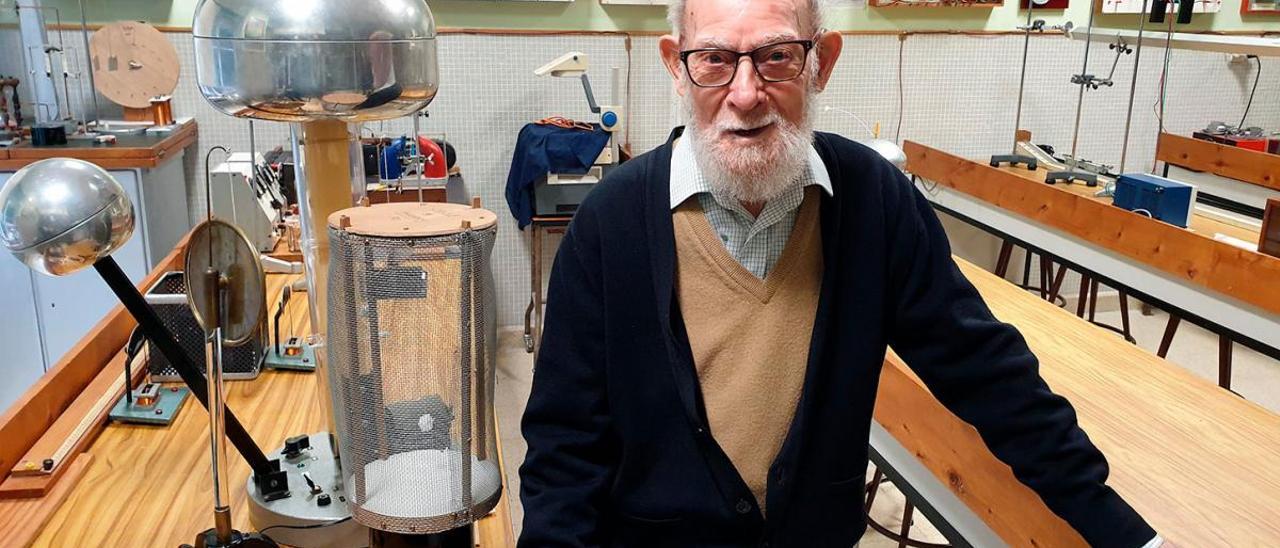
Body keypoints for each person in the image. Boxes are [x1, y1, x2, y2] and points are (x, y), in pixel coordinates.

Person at [518, 0, 1170, 546]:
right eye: (715, 59)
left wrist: (1122, 532)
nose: (745, 94)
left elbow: (987, 374)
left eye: (776, 56)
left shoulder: (873, 200)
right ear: (677, 67)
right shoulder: (611, 222)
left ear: (821, 62)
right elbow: (565, 445)